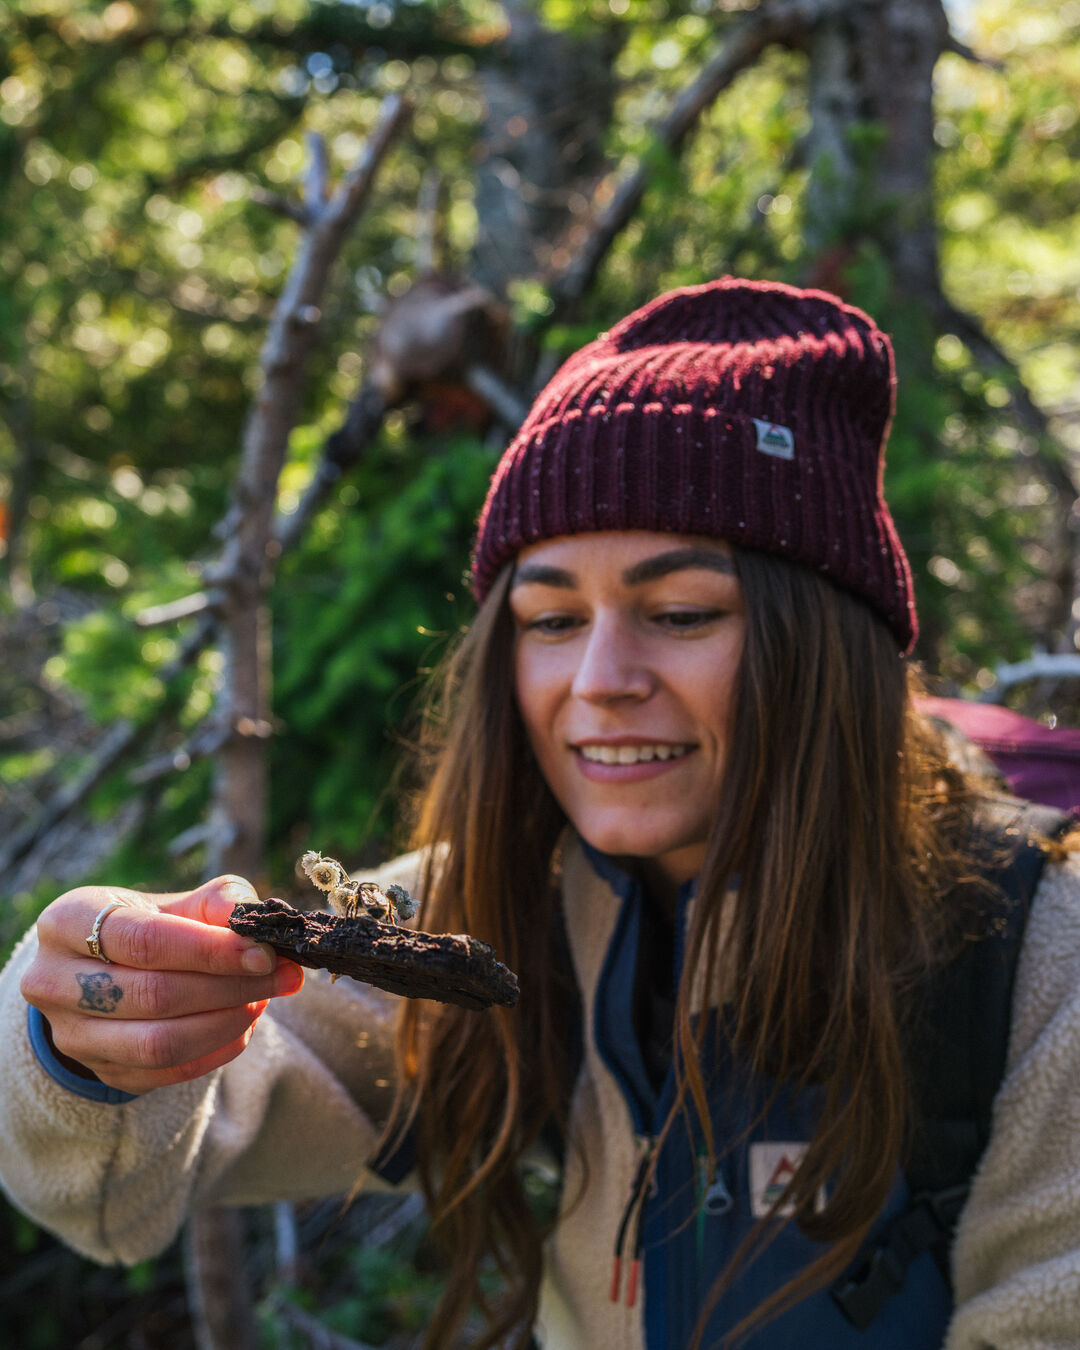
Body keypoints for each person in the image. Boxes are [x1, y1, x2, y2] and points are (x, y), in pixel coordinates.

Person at [2, 277, 1080, 1350]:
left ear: (828, 647)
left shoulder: (1032, 954)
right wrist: (77, 1043)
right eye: (552, 617)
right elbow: (113, 1200)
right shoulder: (482, 910)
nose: (601, 679)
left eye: (681, 612)